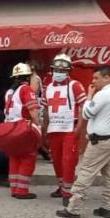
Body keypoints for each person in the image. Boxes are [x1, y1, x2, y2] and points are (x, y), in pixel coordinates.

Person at [57, 65, 110, 218]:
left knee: (85, 173)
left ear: (107, 78)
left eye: (96, 78)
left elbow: (86, 113)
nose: (93, 81)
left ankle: (74, 209)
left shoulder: (102, 95)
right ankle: (107, 208)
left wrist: (90, 95)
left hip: (100, 141)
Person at [41, 54, 86, 205]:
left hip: (69, 129)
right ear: (52, 70)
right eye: (57, 69)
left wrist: (79, 129)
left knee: (68, 161)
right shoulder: (48, 88)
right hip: (54, 130)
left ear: (68, 71)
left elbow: (83, 108)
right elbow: (46, 111)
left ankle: (68, 192)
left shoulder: (75, 85)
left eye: (63, 70)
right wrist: (44, 129)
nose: (59, 72)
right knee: (57, 161)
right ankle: (62, 187)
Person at [4, 63, 41, 200]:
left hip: (10, 130)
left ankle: (14, 188)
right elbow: (33, 111)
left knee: (14, 158)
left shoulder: (10, 92)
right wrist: (38, 126)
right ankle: (22, 190)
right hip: (23, 129)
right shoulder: (26, 90)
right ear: (29, 76)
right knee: (28, 158)